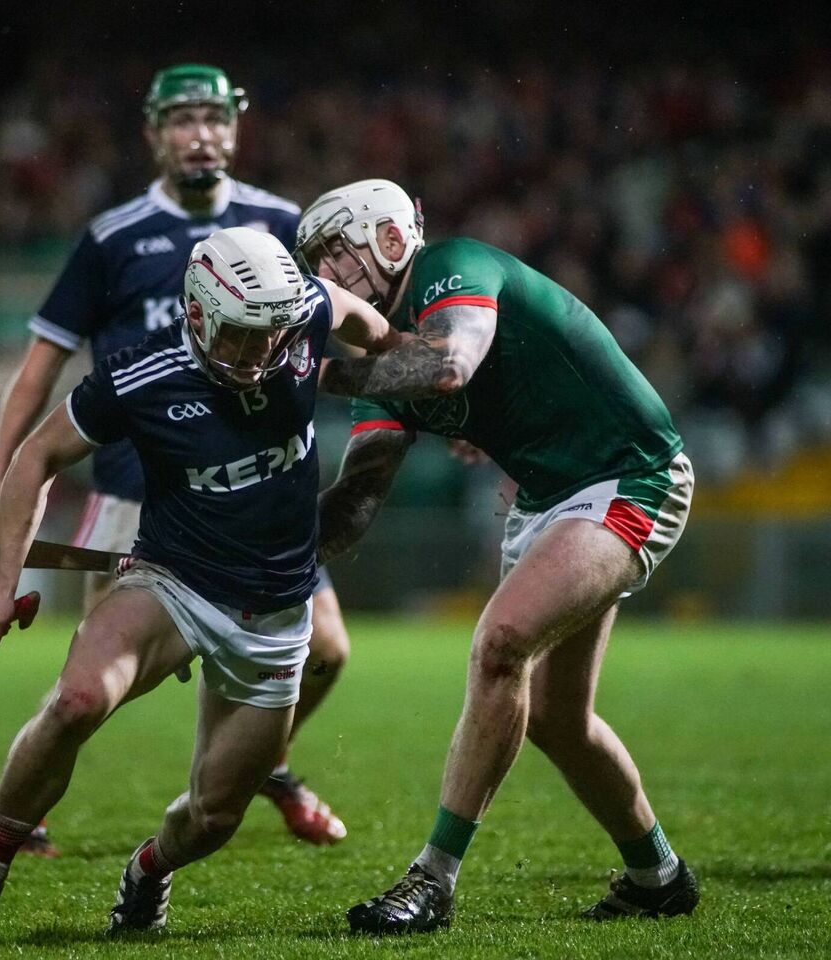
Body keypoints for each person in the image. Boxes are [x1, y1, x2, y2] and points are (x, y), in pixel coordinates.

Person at [0, 228, 399, 943]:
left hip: (277, 619)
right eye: (240, 336)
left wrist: (404, 361)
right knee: (74, 701)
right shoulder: (141, 377)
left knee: (213, 817)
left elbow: (365, 322)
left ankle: (148, 869)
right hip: (172, 583)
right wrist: (1, 585)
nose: (260, 355)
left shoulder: (300, 315)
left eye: (271, 336)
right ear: (197, 315)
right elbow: (36, 456)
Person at [296, 180, 699, 932]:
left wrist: (307, 376)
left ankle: (433, 880)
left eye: (334, 257)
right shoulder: (381, 360)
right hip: (552, 497)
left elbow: (449, 364)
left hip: (629, 473)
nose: (325, 283)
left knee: (501, 643)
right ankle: (659, 877)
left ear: (387, 238)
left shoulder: (453, 264)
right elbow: (356, 501)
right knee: (556, 719)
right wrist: (262, 562)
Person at [0, 64, 349, 849]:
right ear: (153, 134)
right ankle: (27, 801)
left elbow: (340, 330)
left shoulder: (280, 222)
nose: (202, 133)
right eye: (183, 120)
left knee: (330, 651)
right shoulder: (112, 238)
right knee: (93, 683)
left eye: (215, 118)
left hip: (256, 492)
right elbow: (41, 368)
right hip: (130, 495)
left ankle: (256, 767)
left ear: (237, 127)